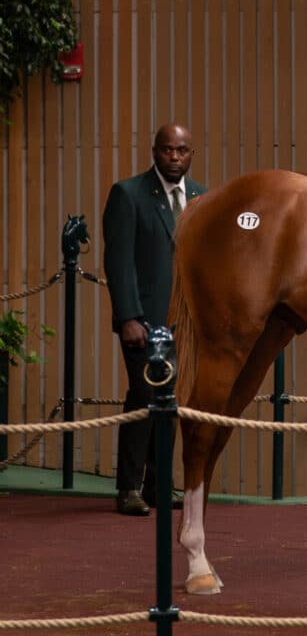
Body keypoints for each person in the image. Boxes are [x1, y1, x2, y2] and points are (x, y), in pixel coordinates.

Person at [103, 123, 205, 516]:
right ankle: (129, 486)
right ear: (154, 151)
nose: (174, 157)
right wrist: (129, 317)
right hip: (144, 322)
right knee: (143, 398)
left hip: (188, 324)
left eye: (182, 150)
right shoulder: (128, 195)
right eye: (167, 150)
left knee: (172, 404)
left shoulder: (201, 197)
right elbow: (119, 262)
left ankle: (160, 487)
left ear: (192, 153)